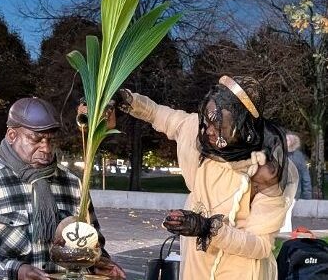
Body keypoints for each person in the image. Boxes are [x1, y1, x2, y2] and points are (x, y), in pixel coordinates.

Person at [117, 75, 298, 280]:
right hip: (197, 267)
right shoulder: (198, 133)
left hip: (240, 272)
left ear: (243, 127)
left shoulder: (265, 172)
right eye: (208, 120)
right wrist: (127, 100)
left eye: (219, 125)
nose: (209, 131)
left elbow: (260, 246)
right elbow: (159, 114)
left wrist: (207, 228)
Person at [0, 97, 125, 280]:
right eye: (36, 139)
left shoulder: (72, 183)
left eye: (51, 140)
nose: (46, 148)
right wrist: (15, 271)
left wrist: (100, 262)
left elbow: (92, 240)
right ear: (12, 136)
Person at [286, 133, 312, 199]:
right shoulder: (279, 154)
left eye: (287, 140)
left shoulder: (298, 156)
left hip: (294, 194)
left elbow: (305, 175)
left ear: (292, 142)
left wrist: (307, 195)